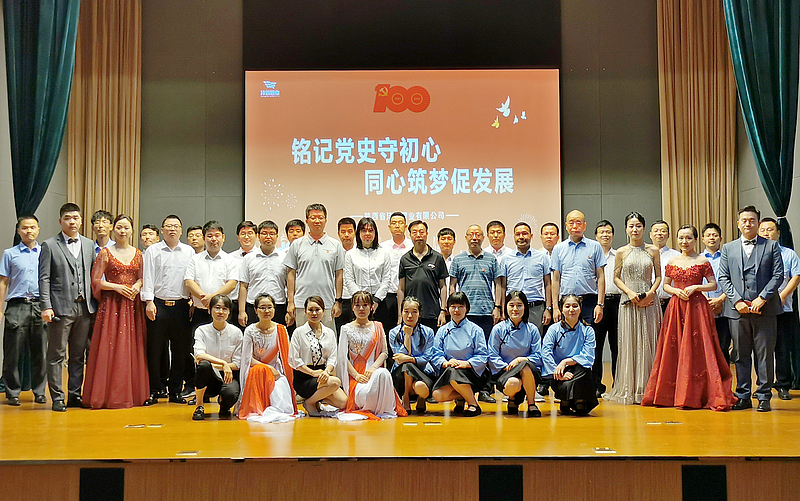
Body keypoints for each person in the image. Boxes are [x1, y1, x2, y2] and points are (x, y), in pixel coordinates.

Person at [642, 225, 735, 411]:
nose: (684, 241)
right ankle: (672, 394)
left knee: (699, 347)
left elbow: (713, 284)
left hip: (697, 307)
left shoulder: (702, 260)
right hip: (677, 307)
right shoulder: (673, 260)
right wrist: (676, 291)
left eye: (688, 238)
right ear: (677, 239)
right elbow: (666, 285)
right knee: (673, 347)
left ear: (695, 240)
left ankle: (697, 393)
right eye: (681, 238)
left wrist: (697, 287)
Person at [719, 206, 784, 412]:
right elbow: (723, 277)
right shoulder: (728, 248)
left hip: (765, 310)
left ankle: (764, 396)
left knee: (764, 354)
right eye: (744, 220)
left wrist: (762, 298)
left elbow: (778, 275)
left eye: (752, 220)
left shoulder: (771, 246)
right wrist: (737, 300)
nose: (748, 223)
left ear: (758, 223)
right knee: (740, 354)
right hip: (737, 311)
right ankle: (743, 395)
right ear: (738, 223)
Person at [83, 214, 150, 409]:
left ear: (132, 231)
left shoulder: (138, 253)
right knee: (110, 346)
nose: (122, 231)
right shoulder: (105, 253)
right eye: (119, 227)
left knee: (132, 346)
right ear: (113, 229)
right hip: (112, 305)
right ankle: (106, 395)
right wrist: (116, 287)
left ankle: (133, 393)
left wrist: (137, 285)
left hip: (132, 305)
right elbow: (96, 281)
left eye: (126, 228)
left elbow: (142, 277)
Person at [39, 203, 97, 412]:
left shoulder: (89, 245)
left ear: (81, 220)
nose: (72, 221)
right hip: (60, 308)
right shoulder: (49, 245)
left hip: (85, 309)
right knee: (56, 355)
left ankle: (74, 395)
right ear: (60, 221)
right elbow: (44, 278)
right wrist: (46, 306)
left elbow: (94, 275)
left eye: (75, 218)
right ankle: (57, 397)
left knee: (78, 355)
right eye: (67, 218)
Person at [604, 212, 662, 405]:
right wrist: (629, 292)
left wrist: (651, 293)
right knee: (629, 343)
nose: (635, 229)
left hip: (649, 302)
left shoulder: (653, 250)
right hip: (628, 302)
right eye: (631, 226)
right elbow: (616, 278)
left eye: (638, 226)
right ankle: (630, 388)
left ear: (644, 229)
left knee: (649, 342)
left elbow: (658, 276)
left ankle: (648, 388)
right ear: (626, 229)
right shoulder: (621, 252)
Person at [449, 224, 504, 403]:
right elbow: (452, 285)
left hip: (486, 312)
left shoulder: (491, 259)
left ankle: (486, 389)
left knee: (485, 352)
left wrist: (498, 307)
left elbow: (498, 284)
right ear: (466, 237)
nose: (474, 238)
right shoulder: (458, 259)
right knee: (465, 352)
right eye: (471, 234)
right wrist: (452, 308)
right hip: (464, 314)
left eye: (478, 235)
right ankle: (465, 388)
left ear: (483, 237)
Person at [141, 214, 193, 405]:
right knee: (155, 350)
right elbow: (147, 276)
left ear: (181, 230)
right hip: (158, 305)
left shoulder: (188, 251)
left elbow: (191, 278)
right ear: (162, 230)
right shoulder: (153, 250)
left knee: (180, 351)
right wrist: (149, 301)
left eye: (176, 226)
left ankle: (175, 391)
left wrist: (192, 300)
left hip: (181, 307)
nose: (172, 229)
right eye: (168, 226)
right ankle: (155, 390)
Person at [336, 291, 407, 420]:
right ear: (352, 308)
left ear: (371, 307)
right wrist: (356, 375)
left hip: (374, 373)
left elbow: (384, 352)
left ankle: (383, 408)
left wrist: (373, 369)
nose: (361, 309)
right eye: (357, 305)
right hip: (355, 378)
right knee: (368, 393)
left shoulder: (378, 326)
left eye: (365, 305)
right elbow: (342, 358)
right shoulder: (345, 328)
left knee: (383, 373)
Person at [1, 215, 47, 406]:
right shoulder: (9, 254)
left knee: (41, 351)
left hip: (40, 305)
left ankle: (39, 391)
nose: (29, 231)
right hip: (16, 305)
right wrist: (0, 309)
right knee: (12, 352)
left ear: (38, 229)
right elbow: (3, 282)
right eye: (25, 228)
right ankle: (12, 392)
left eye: (32, 227)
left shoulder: (45, 253)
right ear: (18, 231)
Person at [237, 293, 297, 422]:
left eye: (269, 307)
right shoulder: (250, 330)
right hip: (255, 370)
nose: (266, 311)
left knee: (280, 401)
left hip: (276, 372)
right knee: (258, 372)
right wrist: (268, 368)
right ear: (255, 310)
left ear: (274, 309)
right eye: (262, 308)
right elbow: (247, 359)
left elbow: (287, 356)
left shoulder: (281, 329)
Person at [758, 217, 800, 401]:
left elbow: (796, 276)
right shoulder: (755, 253)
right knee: (761, 349)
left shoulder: (788, 254)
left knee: (783, 348)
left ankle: (783, 385)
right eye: (763, 230)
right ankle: (762, 386)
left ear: (778, 233)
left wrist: (782, 296)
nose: (766, 233)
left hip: (784, 308)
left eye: (770, 229)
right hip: (760, 308)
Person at [284, 204, 344, 330]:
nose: (317, 221)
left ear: (326, 220)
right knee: (303, 338)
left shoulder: (335, 245)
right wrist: (291, 302)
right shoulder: (297, 244)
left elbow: (339, 275)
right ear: (307, 221)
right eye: (313, 217)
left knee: (327, 339)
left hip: (327, 303)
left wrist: (338, 301)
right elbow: (291, 274)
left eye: (320, 218)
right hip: (301, 303)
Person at [431, 292, 489, 417]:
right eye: (453, 307)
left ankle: (473, 404)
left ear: (467, 308)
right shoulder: (442, 330)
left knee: (454, 374)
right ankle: (462, 396)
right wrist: (445, 362)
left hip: (471, 372)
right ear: (448, 309)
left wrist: (467, 363)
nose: (456, 310)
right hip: (449, 370)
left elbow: (483, 355)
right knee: (437, 394)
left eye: (460, 306)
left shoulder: (476, 330)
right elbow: (435, 354)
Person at [487, 291, 544, 417]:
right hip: (505, 371)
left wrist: (520, 360)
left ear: (525, 307)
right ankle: (513, 399)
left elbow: (538, 355)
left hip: (529, 371)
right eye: (511, 305)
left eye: (519, 305)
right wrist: (507, 367)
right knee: (513, 383)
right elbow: (492, 355)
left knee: (525, 366)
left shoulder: (532, 329)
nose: (515, 309)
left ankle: (531, 403)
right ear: (506, 307)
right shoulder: (498, 329)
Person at [288, 296, 347, 415]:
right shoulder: (298, 332)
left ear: (323, 311)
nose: (314, 313)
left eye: (317, 310)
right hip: (304, 376)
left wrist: (326, 372)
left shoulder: (329, 333)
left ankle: (311, 401)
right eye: (310, 310)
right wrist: (313, 373)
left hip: (323, 374)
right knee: (335, 382)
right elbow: (294, 360)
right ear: (305, 312)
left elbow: (332, 357)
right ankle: (310, 402)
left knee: (343, 402)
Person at [541, 294, 598, 415]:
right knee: (568, 380)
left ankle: (576, 400)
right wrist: (557, 370)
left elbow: (588, 356)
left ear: (580, 309)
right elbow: (545, 352)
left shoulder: (588, 330)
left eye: (575, 306)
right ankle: (566, 399)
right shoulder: (553, 329)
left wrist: (565, 361)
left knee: (584, 370)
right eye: (567, 306)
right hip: (558, 371)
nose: (571, 309)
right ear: (562, 310)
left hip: (579, 370)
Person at [550, 210, 606, 326]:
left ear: (584, 226)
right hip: (566, 301)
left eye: (578, 223)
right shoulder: (558, 249)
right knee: (567, 335)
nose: (575, 226)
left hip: (589, 301)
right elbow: (555, 279)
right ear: (566, 226)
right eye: (571, 223)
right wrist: (555, 307)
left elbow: (601, 277)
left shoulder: (595, 246)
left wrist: (600, 304)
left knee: (590, 334)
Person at [191, 294, 243, 420]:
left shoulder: (236, 332)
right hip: (208, 377)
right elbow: (199, 355)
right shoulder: (201, 330)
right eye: (217, 308)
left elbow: (237, 364)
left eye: (225, 309)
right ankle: (199, 405)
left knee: (231, 394)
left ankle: (224, 405)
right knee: (204, 365)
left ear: (229, 312)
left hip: (227, 375)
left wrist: (225, 367)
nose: (221, 312)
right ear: (210, 310)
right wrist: (223, 364)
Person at [185, 221, 237, 331]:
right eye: (209, 236)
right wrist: (204, 298)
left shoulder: (230, 260)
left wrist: (212, 298)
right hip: (200, 311)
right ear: (204, 238)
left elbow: (232, 284)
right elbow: (189, 282)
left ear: (223, 238)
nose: (214, 239)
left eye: (217, 235)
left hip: (222, 312)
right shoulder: (195, 259)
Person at [341, 217, 391, 333]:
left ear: (375, 233)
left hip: (379, 302)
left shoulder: (384, 253)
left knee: (378, 334)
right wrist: (361, 301)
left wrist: (376, 300)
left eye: (370, 230)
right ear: (358, 233)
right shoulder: (351, 254)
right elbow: (349, 280)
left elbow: (386, 279)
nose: (367, 234)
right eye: (363, 230)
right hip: (358, 304)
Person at [388, 296, 438, 414]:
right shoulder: (393, 332)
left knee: (411, 370)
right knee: (406, 367)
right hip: (400, 374)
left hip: (423, 371)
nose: (410, 316)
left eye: (414, 312)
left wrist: (410, 359)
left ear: (419, 314)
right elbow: (399, 358)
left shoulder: (428, 332)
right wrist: (407, 336)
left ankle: (421, 398)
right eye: (406, 312)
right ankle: (405, 398)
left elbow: (427, 357)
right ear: (401, 313)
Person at [398, 220, 449, 331]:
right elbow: (401, 288)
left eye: (421, 232)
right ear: (410, 235)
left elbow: (443, 286)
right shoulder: (405, 259)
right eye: (414, 232)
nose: (418, 235)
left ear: (427, 233)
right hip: (410, 314)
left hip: (432, 312)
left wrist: (442, 310)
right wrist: (400, 315)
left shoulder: (437, 257)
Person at [502, 222, 551, 335]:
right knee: (513, 339)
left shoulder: (542, 257)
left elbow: (548, 284)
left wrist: (548, 309)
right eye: (518, 234)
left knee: (535, 340)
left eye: (524, 233)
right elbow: (503, 286)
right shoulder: (506, 258)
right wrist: (503, 309)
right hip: (513, 308)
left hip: (535, 308)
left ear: (531, 236)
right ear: (514, 237)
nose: (521, 237)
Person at [239, 220, 288, 328]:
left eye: (272, 234)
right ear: (258, 236)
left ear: (277, 236)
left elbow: (289, 285)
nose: (268, 237)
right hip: (253, 307)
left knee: (277, 337)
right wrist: (242, 311)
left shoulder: (284, 258)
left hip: (278, 306)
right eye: (264, 233)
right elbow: (243, 286)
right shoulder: (248, 258)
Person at [592, 220, 621, 396]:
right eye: (602, 232)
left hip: (617, 303)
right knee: (596, 346)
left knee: (617, 346)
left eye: (608, 232)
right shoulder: (591, 256)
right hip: (597, 304)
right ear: (596, 236)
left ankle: (618, 385)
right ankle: (597, 385)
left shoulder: (619, 255)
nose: (605, 235)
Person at [701, 223, 731, 364]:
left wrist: (720, 299)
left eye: (715, 235)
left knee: (723, 347)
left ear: (720, 238)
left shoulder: (728, 257)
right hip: (703, 306)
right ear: (703, 239)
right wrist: (706, 299)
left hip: (725, 307)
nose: (712, 238)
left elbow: (733, 280)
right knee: (705, 347)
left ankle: (724, 376)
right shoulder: (698, 258)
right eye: (708, 235)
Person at [380, 212, 411, 332]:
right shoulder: (382, 247)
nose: (397, 226)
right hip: (388, 295)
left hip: (408, 294)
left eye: (400, 223)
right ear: (389, 227)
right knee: (388, 329)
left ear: (406, 226)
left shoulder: (412, 246)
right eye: (394, 223)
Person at [228, 221, 258, 322]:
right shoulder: (230, 258)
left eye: (250, 233)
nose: (246, 237)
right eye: (243, 233)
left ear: (256, 236)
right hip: (233, 302)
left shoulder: (261, 257)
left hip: (253, 303)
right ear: (238, 237)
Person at [650, 220, 681, 314]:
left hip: (671, 302)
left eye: (663, 231)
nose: (659, 233)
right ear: (650, 235)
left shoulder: (676, 256)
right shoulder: (643, 254)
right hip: (649, 302)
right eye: (656, 231)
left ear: (668, 235)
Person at [437, 227, 456, 293]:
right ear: (438, 242)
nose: (446, 242)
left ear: (454, 242)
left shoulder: (457, 261)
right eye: (443, 239)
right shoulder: (434, 261)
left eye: (449, 239)